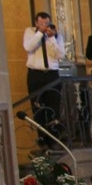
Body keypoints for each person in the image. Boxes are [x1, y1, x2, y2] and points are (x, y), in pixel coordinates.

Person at [23, 11, 66, 144]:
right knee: (38, 107)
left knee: (53, 107)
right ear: (36, 23)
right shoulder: (30, 32)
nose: (44, 26)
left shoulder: (56, 35)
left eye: (46, 23)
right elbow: (28, 47)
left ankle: (54, 139)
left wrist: (51, 38)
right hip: (35, 74)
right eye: (41, 23)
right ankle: (42, 139)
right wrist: (40, 33)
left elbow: (60, 55)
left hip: (52, 75)